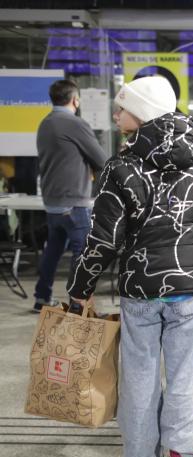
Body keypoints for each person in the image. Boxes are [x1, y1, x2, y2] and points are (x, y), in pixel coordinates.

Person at [67, 76, 193, 457]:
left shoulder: (120, 167)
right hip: (188, 286)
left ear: (143, 112)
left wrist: (81, 288)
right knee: (183, 376)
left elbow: (103, 240)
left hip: (140, 289)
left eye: (123, 107)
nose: (116, 114)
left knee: (139, 378)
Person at [32, 79, 107, 312]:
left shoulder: (45, 124)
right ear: (75, 100)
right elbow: (101, 159)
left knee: (53, 251)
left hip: (52, 202)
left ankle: (42, 297)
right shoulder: (75, 124)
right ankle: (77, 306)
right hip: (73, 203)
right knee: (82, 255)